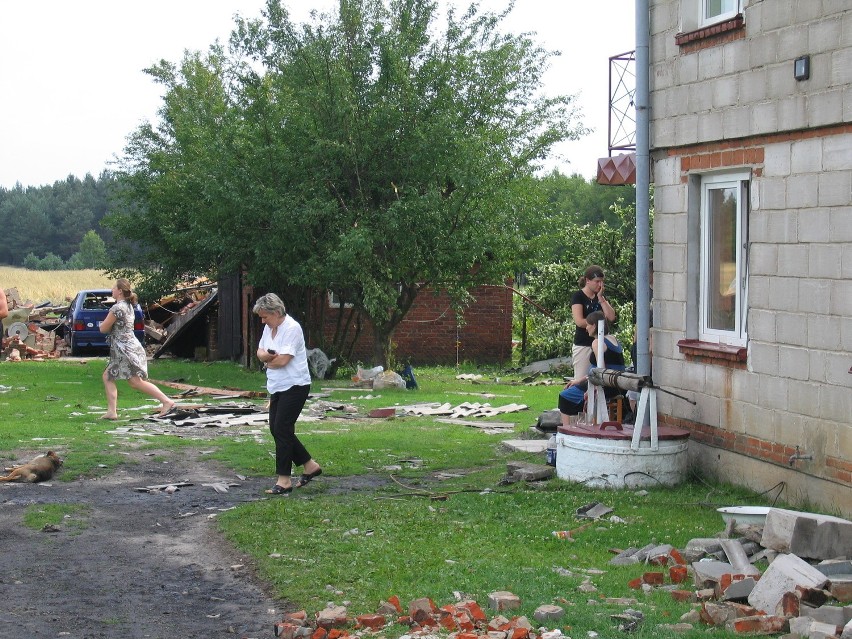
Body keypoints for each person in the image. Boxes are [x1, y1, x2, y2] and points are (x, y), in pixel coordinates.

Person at [254, 293, 321, 496]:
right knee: (276, 429)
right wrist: (266, 358)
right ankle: (310, 466)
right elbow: (260, 351)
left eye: (265, 316)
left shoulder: (292, 328)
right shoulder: (269, 328)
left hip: (295, 385)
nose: (262, 321)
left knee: (282, 429)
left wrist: (267, 360)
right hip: (276, 386)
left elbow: (283, 361)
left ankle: (284, 481)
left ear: (276, 312)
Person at [99, 279, 175, 420]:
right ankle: (111, 412)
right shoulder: (128, 305)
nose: (112, 290)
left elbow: (103, 328)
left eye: (114, 288)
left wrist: (101, 325)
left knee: (134, 381)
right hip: (128, 347)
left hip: (125, 349)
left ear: (120, 291)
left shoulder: (117, 308)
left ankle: (167, 401)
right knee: (109, 376)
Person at [559, 311, 625, 426]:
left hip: (605, 384)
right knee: (572, 388)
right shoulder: (612, 338)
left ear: (594, 326)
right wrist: (578, 381)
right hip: (616, 383)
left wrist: (590, 385)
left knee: (564, 396)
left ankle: (567, 430)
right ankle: (578, 426)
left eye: (588, 325)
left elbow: (601, 369)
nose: (586, 329)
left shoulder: (597, 342)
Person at [571, 265, 616, 382]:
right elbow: (579, 321)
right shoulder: (578, 296)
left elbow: (611, 317)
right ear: (587, 281)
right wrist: (595, 323)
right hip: (584, 344)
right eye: (597, 282)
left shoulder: (600, 297)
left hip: (601, 343)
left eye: (602, 282)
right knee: (582, 379)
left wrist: (601, 298)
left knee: (601, 376)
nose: (600, 285)